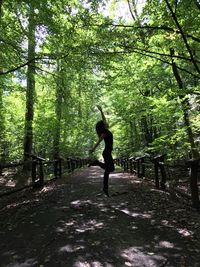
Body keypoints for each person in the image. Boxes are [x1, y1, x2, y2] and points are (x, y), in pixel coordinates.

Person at [89, 105, 115, 197]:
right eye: (104, 123)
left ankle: (97, 163)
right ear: (103, 126)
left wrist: (101, 111)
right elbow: (99, 141)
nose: (106, 123)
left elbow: (104, 119)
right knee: (109, 169)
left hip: (108, 152)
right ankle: (105, 188)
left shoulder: (106, 130)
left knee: (110, 169)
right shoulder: (104, 133)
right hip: (106, 153)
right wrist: (93, 149)